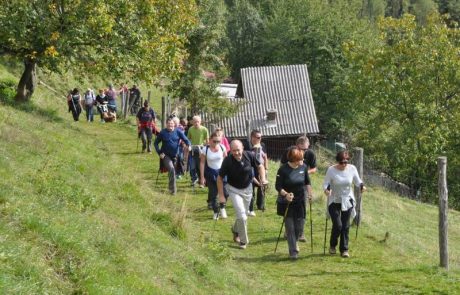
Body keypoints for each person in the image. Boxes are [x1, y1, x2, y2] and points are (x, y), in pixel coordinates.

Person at [217, 140, 268, 249]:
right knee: (242, 216)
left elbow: (260, 166)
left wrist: (263, 178)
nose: (236, 153)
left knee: (242, 214)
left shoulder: (250, 155)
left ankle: (235, 230)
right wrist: (221, 195)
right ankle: (243, 241)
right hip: (233, 189)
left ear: (243, 149)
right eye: (233, 151)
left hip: (248, 189)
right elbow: (220, 178)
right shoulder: (227, 161)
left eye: (238, 150)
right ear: (230, 150)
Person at [323, 150, 366, 258]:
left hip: (347, 200)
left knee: (345, 226)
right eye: (342, 162)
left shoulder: (352, 169)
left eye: (346, 162)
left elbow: (357, 181)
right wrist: (326, 190)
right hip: (334, 200)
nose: (344, 164)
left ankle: (344, 250)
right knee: (338, 225)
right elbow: (326, 183)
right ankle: (332, 245)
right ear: (338, 161)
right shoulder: (331, 170)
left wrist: (362, 186)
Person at [276, 147, 313, 259]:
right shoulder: (283, 170)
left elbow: (307, 182)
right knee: (290, 227)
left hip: (301, 201)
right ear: (292, 159)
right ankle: (293, 251)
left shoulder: (303, 167)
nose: (301, 162)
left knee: (299, 227)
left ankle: (295, 241)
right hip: (287, 201)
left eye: (302, 159)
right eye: (299, 160)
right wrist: (286, 194)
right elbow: (278, 186)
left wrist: (310, 194)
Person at [281, 136, 317, 241]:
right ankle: (288, 231)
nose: (304, 151)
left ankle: (300, 233)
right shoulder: (289, 151)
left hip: (303, 184)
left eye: (306, 149)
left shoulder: (310, 154)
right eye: (302, 149)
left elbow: (314, 168)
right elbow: (282, 165)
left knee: (302, 208)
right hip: (289, 183)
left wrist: (304, 173)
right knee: (289, 207)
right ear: (297, 146)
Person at [154, 118, 191, 195]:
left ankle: (170, 185)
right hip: (165, 155)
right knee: (171, 169)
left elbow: (186, 139)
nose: (170, 125)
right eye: (169, 123)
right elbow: (156, 143)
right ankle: (173, 190)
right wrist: (159, 152)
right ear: (166, 124)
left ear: (174, 124)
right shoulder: (163, 132)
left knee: (172, 172)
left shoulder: (178, 131)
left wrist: (189, 145)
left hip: (175, 156)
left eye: (171, 123)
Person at [200, 131, 228, 220]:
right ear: (210, 140)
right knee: (213, 193)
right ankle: (216, 212)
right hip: (210, 173)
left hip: (221, 173)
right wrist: (202, 177)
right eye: (214, 141)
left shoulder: (222, 148)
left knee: (226, 193)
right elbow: (202, 163)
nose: (216, 143)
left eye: (218, 141)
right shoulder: (205, 149)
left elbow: (226, 162)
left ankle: (222, 207)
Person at [245, 129, 268, 216]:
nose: (260, 139)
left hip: (260, 168)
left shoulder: (262, 145)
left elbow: (265, 157)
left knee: (261, 186)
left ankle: (260, 204)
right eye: (258, 137)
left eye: (260, 137)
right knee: (251, 188)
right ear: (252, 137)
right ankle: (250, 207)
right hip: (250, 168)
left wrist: (266, 169)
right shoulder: (246, 144)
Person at [187, 115, 209, 187]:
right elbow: (188, 139)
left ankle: (202, 181)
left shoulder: (204, 129)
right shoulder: (190, 129)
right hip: (193, 149)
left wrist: (205, 147)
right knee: (192, 165)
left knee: (200, 166)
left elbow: (207, 140)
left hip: (201, 149)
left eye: (198, 122)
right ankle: (194, 179)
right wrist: (188, 146)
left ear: (200, 122)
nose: (196, 123)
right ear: (192, 122)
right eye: (195, 122)